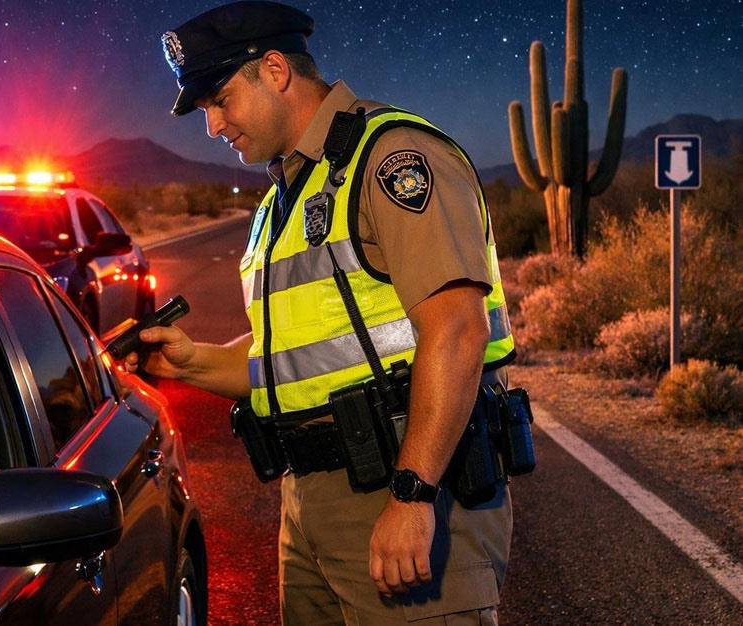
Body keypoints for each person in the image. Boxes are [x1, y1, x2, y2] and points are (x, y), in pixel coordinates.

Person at [134, 2, 518, 624]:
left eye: (220, 100)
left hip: (403, 481)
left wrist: (413, 494)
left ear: (276, 70)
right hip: (310, 502)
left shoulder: (390, 157)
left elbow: (457, 329)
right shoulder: (286, 195)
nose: (212, 126)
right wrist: (193, 361)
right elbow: (290, 361)